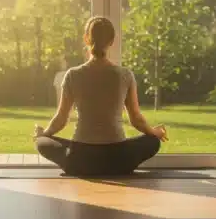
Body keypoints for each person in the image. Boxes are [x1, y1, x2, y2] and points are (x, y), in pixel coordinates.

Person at [33, 16, 168, 176]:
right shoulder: (125, 75)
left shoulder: (72, 75)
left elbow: (61, 119)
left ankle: (76, 164)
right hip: (119, 159)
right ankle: (115, 168)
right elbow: (136, 120)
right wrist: (154, 133)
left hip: (80, 160)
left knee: (42, 142)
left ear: (86, 39)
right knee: (152, 142)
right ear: (111, 41)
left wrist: (44, 134)